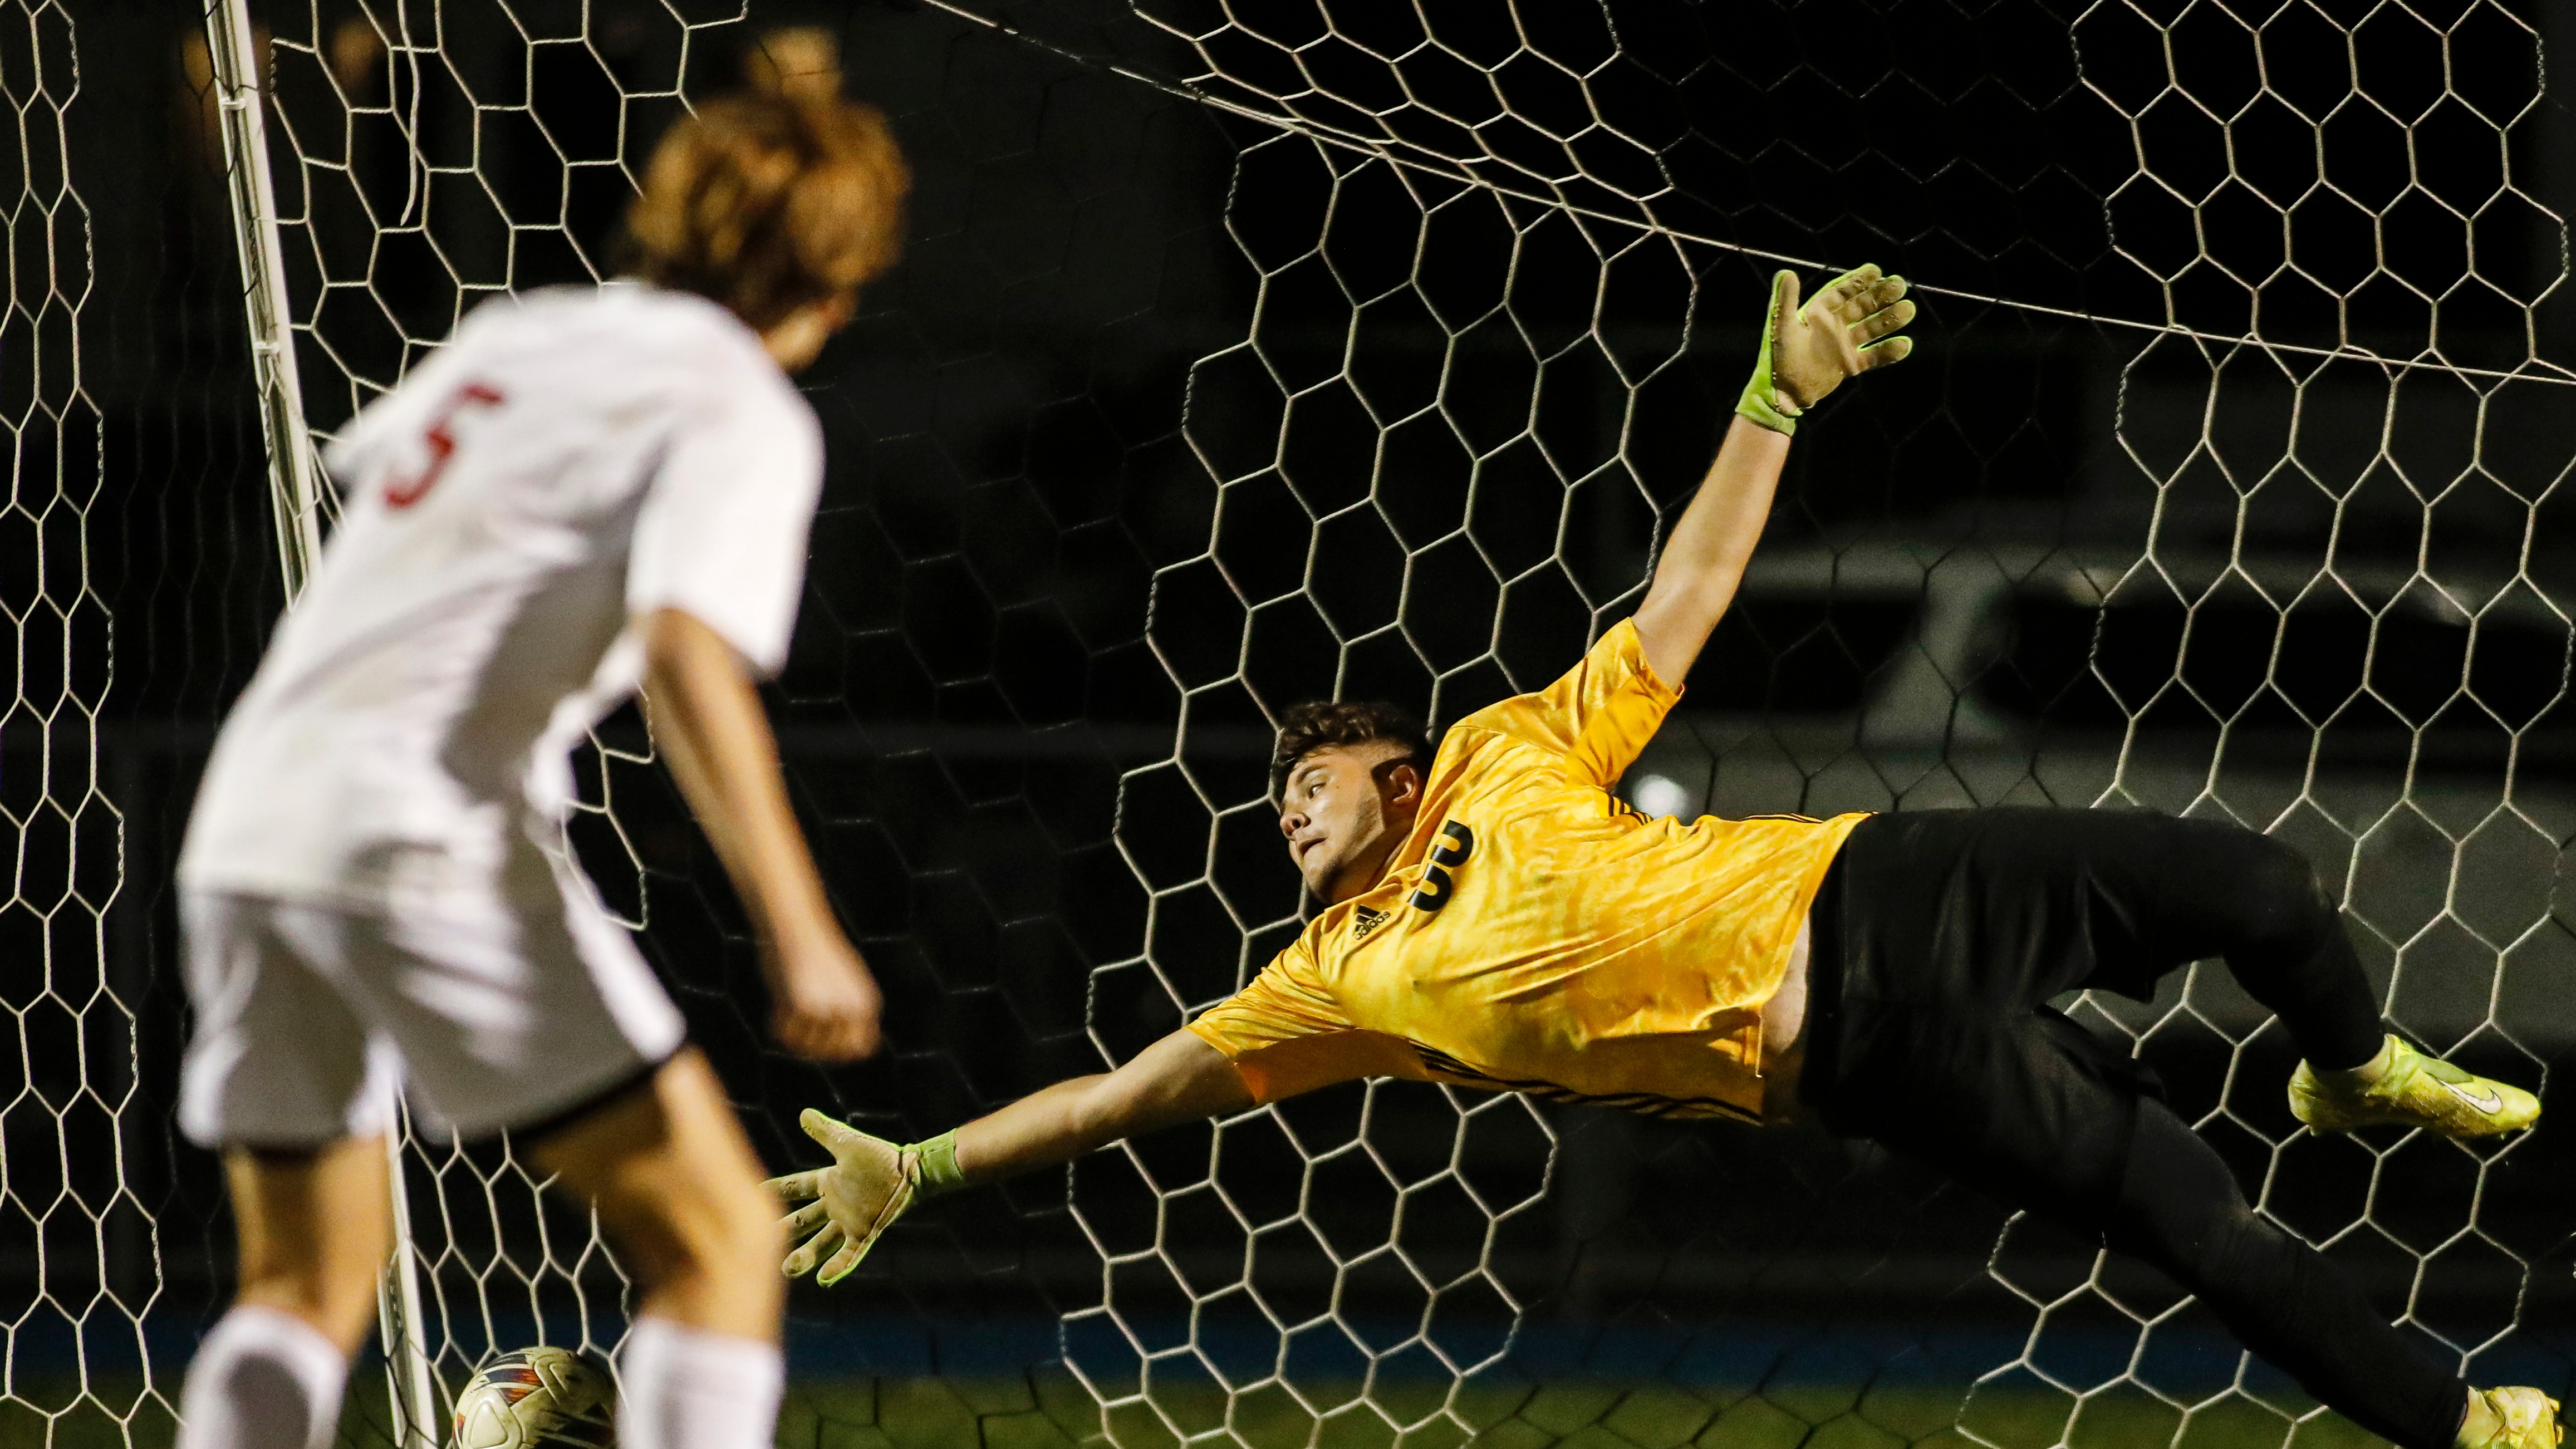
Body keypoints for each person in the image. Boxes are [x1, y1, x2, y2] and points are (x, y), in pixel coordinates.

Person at [769, 266, 2560, 1449]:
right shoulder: (1331, 984)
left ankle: (2350, 1065)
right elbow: (1115, 1093)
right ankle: (2462, 1424)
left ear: (1392, 768)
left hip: (1873, 881)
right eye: (1271, 804)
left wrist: (1775, 401)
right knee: (2193, 1221)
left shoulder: (1505, 742)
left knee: (2253, 889)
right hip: (1855, 1055)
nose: (1281, 805)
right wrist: (918, 1168)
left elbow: (1684, 603)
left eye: (1305, 774)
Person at [171, 91, 905, 1449]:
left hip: (253, 813)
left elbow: (382, 486)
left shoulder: (522, 335)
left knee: (301, 1285)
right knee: (720, 1243)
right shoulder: (737, 404)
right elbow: (686, 650)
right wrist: (804, 932)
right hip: (418, 828)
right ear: (834, 277)